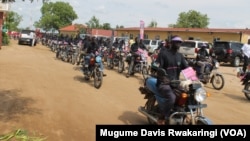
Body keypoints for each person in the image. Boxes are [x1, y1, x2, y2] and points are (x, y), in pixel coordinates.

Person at [155, 35, 189, 125]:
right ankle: (162, 117)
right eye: (176, 42)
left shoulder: (180, 56)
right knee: (172, 98)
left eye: (180, 42)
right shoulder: (163, 54)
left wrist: (195, 78)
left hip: (175, 82)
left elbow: (187, 68)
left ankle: (183, 114)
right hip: (164, 83)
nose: (178, 44)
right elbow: (156, 66)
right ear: (172, 43)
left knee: (187, 95)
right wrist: (162, 76)